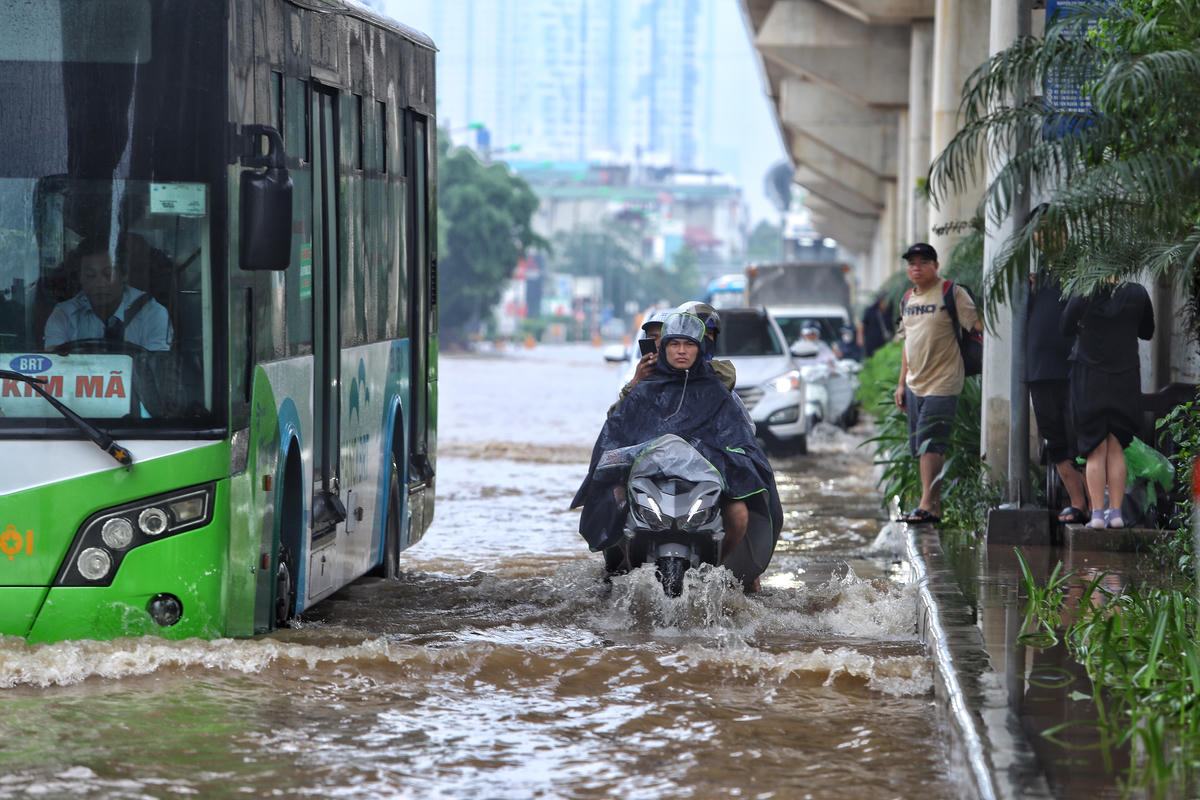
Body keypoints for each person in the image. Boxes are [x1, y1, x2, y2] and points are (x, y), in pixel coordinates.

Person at [574, 312, 781, 590]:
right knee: (614, 498)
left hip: (704, 478)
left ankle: (722, 572)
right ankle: (617, 567)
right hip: (650, 476)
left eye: (689, 344)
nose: (680, 351)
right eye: (672, 344)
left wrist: (734, 456)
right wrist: (615, 458)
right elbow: (617, 431)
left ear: (701, 348)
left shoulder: (716, 391)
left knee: (740, 513)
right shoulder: (643, 389)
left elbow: (738, 435)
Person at [893, 242, 981, 525]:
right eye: (911, 263)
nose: (916, 268)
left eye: (923, 262)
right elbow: (907, 344)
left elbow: (979, 327)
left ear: (936, 266)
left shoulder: (951, 293)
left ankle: (927, 504)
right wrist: (901, 384)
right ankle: (933, 506)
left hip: (944, 382)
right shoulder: (907, 299)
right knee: (921, 446)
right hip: (915, 384)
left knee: (932, 444)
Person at [1061, 279, 1154, 529]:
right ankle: (1116, 514)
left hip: (1090, 377)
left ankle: (1097, 515)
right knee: (1115, 448)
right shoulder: (1137, 292)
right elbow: (1147, 331)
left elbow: (1065, 326)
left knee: (1095, 449)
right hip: (1124, 377)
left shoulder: (1084, 288)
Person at [1025, 207, 1089, 524]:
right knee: (1056, 440)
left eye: (1051, 227)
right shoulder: (1029, 272)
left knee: (1081, 437)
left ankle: (1097, 506)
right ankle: (1078, 503)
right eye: (1039, 229)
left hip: (1075, 365)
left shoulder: (1079, 264)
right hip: (1039, 368)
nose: (1045, 235)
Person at [44, 236, 172, 352]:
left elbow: (157, 368)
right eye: (90, 275)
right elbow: (54, 365)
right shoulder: (63, 315)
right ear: (80, 278)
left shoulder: (153, 314)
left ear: (124, 274)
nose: (99, 283)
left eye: (108, 274)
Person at [860, 292, 894, 358]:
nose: (885, 304)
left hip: (885, 342)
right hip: (871, 341)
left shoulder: (890, 311)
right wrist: (860, 338)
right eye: (883, 301)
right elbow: (862, 324)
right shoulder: (870, 310)